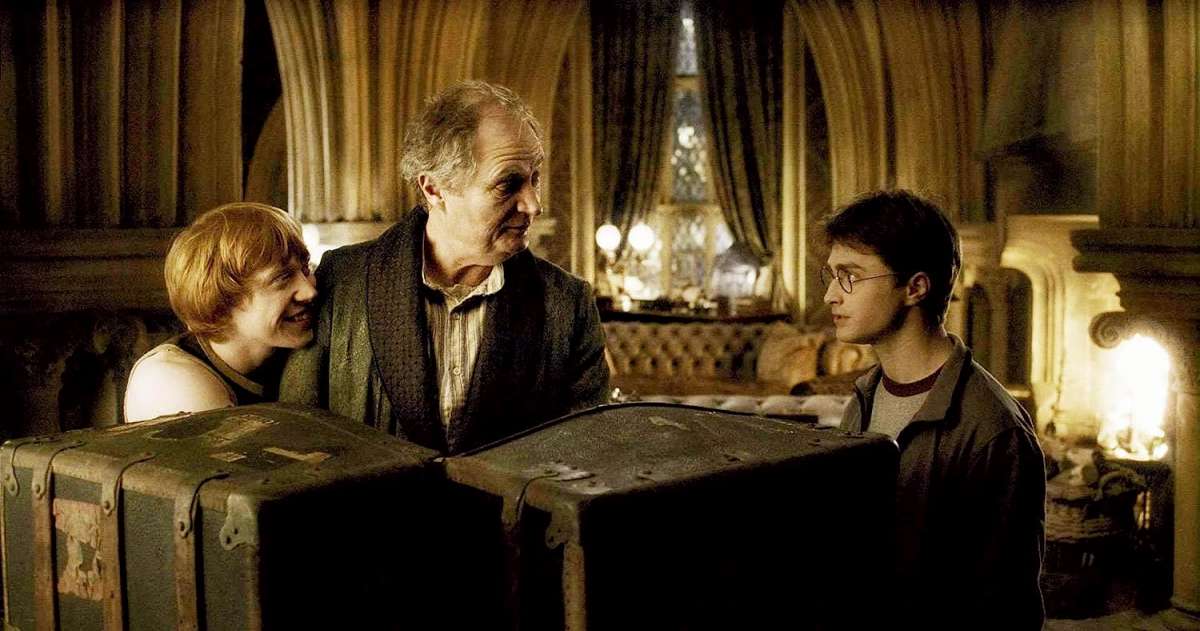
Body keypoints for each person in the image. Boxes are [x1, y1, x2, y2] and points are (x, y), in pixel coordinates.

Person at [279, 80, 608, 454]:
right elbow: (295, 434)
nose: (534, 205)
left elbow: (587, 454)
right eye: (508, 184)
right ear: (434, 189)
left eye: (535, 179)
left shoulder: (567, 303)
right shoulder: (343, 281)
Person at [824, 190, 1046, 628]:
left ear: (915, 287)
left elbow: (1006, 609)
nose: (831, 294)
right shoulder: (865, 395)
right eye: (831, 275)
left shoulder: (993, 429)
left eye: (850, 276)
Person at [124, 202, 317, 422]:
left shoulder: (281, 354)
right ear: (223, 299)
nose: (310, 291)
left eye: (305, 269)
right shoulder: (171, 381)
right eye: (282, 278)